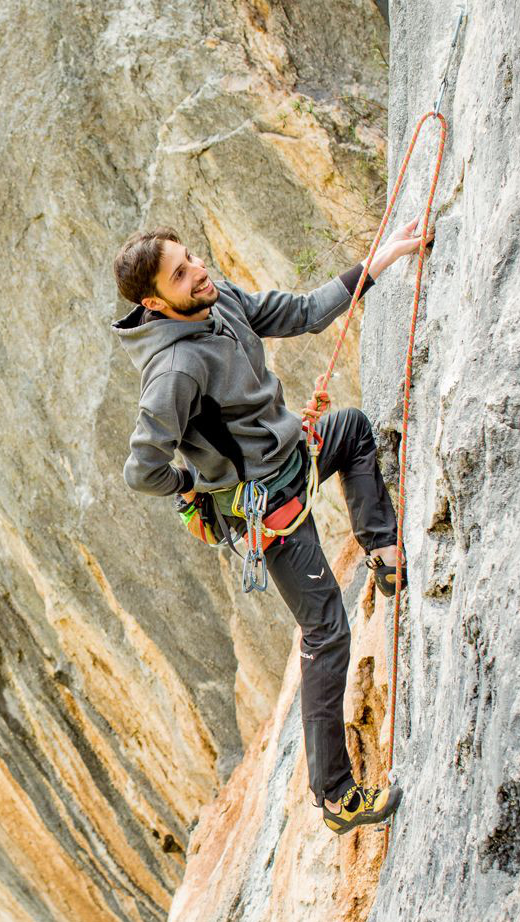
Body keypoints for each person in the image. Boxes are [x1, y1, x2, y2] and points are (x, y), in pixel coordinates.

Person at [110, 221, 430, 833]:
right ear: (154, 303)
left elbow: (306, 312)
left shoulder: (218, 299)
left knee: (355, 430)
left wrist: (384, 257)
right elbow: (141, 470)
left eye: (192, 258)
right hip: (265, 513)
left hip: (298, 457)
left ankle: (383, 554)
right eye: (179, 273)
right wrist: (197, 488)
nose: (198, 270)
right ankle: (335, 797)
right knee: (326, 630)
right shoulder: (174, 371)